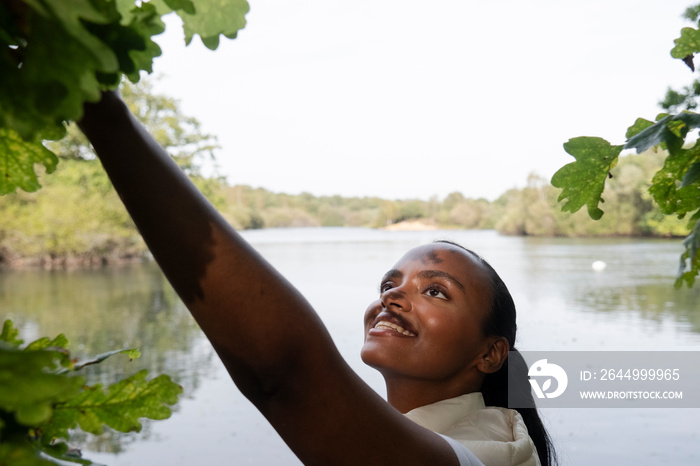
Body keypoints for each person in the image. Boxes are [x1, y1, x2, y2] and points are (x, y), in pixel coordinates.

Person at [78, 90, 556, 466]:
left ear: (490, 353)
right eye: (389, 285)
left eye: (435, 290)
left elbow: (285, 376)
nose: (393, 298)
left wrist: (101, 111)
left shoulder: (498, 452)